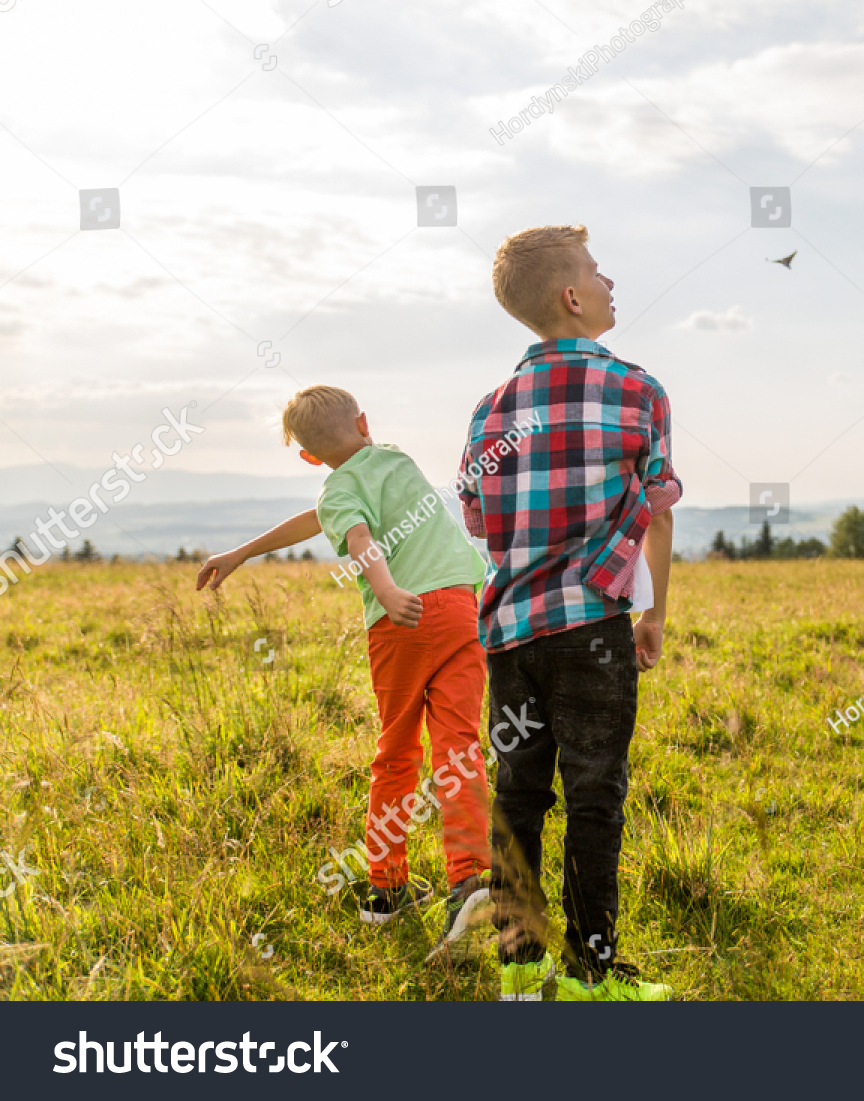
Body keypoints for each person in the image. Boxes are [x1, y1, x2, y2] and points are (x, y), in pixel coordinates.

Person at [195, 386, 494, 956]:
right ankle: (469, 881)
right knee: (458, 749)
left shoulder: (337, 489)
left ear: (309, 457)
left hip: (401, 620)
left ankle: (386, 889)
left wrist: (384, 586)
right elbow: (328, 516)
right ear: (363, 422)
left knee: (398, 751)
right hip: (460, 607)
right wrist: (246, 550)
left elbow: (353, 532)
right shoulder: (396, 460)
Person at [463, 224, 680, 1001]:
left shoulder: (489, 410)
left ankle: (520, 967)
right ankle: (594, 973)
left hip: (510, 636)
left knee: (518, 792)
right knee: (596, 794)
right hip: (593, 628)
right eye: (597, 268)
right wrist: (652, 615)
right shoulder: (638, 391)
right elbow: (656, 510)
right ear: (573, 296)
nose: (610, 279)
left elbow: (479, 523)